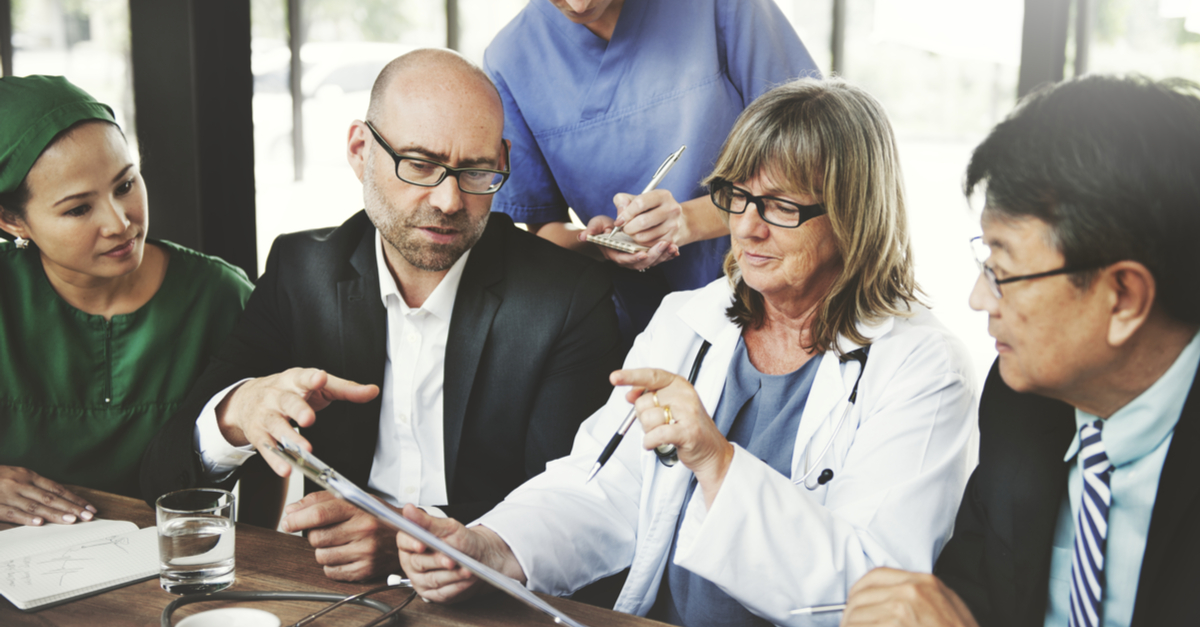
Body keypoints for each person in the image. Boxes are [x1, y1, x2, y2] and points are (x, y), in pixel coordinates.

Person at [393, 77, 977, 627]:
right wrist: (488, 547)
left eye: (780, 207)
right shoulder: (687, 321)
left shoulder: (923, 368)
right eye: (736, 197)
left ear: (854, 215)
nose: (746, 229)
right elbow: (600, 485)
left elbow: (876, 593)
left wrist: (717, 462)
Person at [140, 49, 623, 583]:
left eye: (477, 171)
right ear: (359, 150)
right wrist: (235, 411)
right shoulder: (301, 272)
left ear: (503, 162)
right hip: (333, 595)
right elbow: (163, 478)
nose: (447, 200)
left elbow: (571, 509)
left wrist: (409, 541)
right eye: (419, 164)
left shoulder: (568, 297)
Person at [840, 76, 1200, 627]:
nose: (978, 298)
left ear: (1123, 296)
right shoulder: (1021, 404)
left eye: (1002, 272)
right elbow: (972, 595)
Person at [484, 0, 819, 341]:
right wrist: (601, 243)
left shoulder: (720, 7)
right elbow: (545, 232)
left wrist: (688, 221)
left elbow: (812, 156)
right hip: (640, 327)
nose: (578, 4)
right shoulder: (511, 58)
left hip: (776, 296)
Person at [0, 75, 252, 525]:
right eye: (79, 209)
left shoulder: (221, 296)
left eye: (125, 185)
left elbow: (269, 458)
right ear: (12, 220)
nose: (120, 224)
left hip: (179, 567)